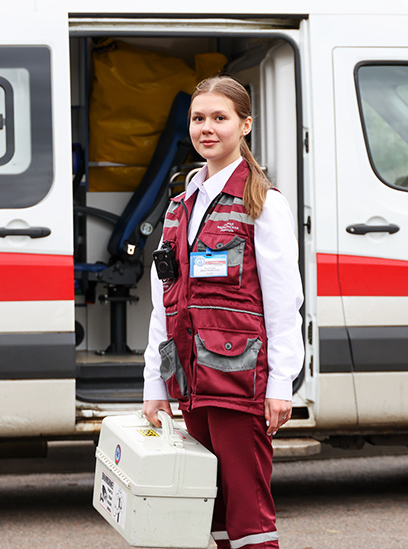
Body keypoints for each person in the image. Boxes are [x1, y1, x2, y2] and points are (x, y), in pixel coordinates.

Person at [142, 76, 304, 549]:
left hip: (240, 383)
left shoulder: (263, 202)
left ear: (244, 125)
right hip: (191, 384)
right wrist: (155, 385)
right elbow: (164, 305)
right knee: (211, 517)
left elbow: (283, 302)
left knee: (250, 519)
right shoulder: (179, 206)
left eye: (220, 117)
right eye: (198, 118)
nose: (207, 128)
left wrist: (280, 385)